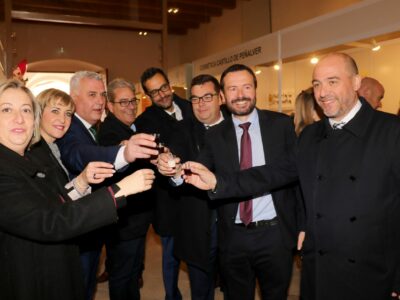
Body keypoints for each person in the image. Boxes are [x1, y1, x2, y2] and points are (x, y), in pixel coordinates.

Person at [182, 53, 400, 300]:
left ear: (357, 82)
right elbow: (273, 174)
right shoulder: (311, 136)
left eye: (332, 81)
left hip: (371, 274)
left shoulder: (391, 132)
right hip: (319, 270)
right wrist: (219, 182)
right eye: (317, 84)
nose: (322, 92)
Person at [0, 79, 155, 300]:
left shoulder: (27, 156)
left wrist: (81, 181)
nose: (18, 118)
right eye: (6, 109)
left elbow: (54, 200)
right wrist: (119, 190)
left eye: (25, 110)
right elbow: (49, 221)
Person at [182, 64, 304, 300]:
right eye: (233, 89)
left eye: (246, 87)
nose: (240, 95)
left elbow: (296, 178)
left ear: (256, 89)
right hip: (234, 237)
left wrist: (303, 225)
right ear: (222, 95)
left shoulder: (281, 125)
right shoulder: (215, 135)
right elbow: (199, 171)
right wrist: (176, 170)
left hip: (276, 234)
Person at [56, 71, 157, 300]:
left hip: (92, 228)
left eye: (101, 94)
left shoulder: (94, 128)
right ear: (74, 98)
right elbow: (79, 155)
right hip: (78, 228)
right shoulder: (70, 129)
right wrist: (124, 153)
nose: (99, 101)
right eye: (92, 94)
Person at [157, 74, 228, 300]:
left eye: (207, 97)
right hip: (198, 223)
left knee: (237, 285)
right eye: (195, 99)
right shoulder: (183, 129)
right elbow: (175, 155)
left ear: (221, 98)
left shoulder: (237, 125)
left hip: (235, 223)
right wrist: (172, 168)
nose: (201, 104)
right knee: (200, 288)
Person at [134, 67, 193, 300]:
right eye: (155, 92)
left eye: (164, 87)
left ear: (171, 84)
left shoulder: (191, 107)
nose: (162, 95)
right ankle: (172, 295)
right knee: (170, 254)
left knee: (202, 248)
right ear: (148, 96)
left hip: (197, 193)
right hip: (168, 199)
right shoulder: (144, 122)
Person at [97, 78, 152, 300]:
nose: (131, 106)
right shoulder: (110, 132)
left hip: (135, 219)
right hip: (124, 220)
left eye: (133, 100)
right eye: (123, 102)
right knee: (122, 275)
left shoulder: (132, 126)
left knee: (131, 274)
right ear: (110, 106)